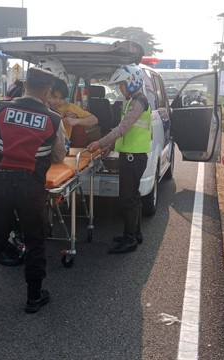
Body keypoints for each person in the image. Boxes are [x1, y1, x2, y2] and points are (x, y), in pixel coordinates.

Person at [0, 66, 66, 315]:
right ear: (48, 90)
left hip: (0, 186)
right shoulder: (53, 119)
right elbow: (59, 154)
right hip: (31, 189)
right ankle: (34, 297)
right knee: (35, 240)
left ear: (26, 84)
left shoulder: (1, 108)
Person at [87, 64, 151, 254]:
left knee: (127, 198)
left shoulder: (139, 102)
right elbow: (126, 133)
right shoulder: (133, 100)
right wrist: (110, 146)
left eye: (122, 85)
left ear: (132, 83)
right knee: (133, 196)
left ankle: (130, 239)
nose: (120, 89)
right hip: (131, 156)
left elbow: (122, 128)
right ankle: (134, 233)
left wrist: (99, 143)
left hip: (133, 157)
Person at [49, 78, 98, 146]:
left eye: (61, 98)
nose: (58, 101)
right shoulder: (42, 107)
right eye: (54, 97)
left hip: (63, 146)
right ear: (47, 94)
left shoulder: (70, 107)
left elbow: (94, 120)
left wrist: (76, 121)